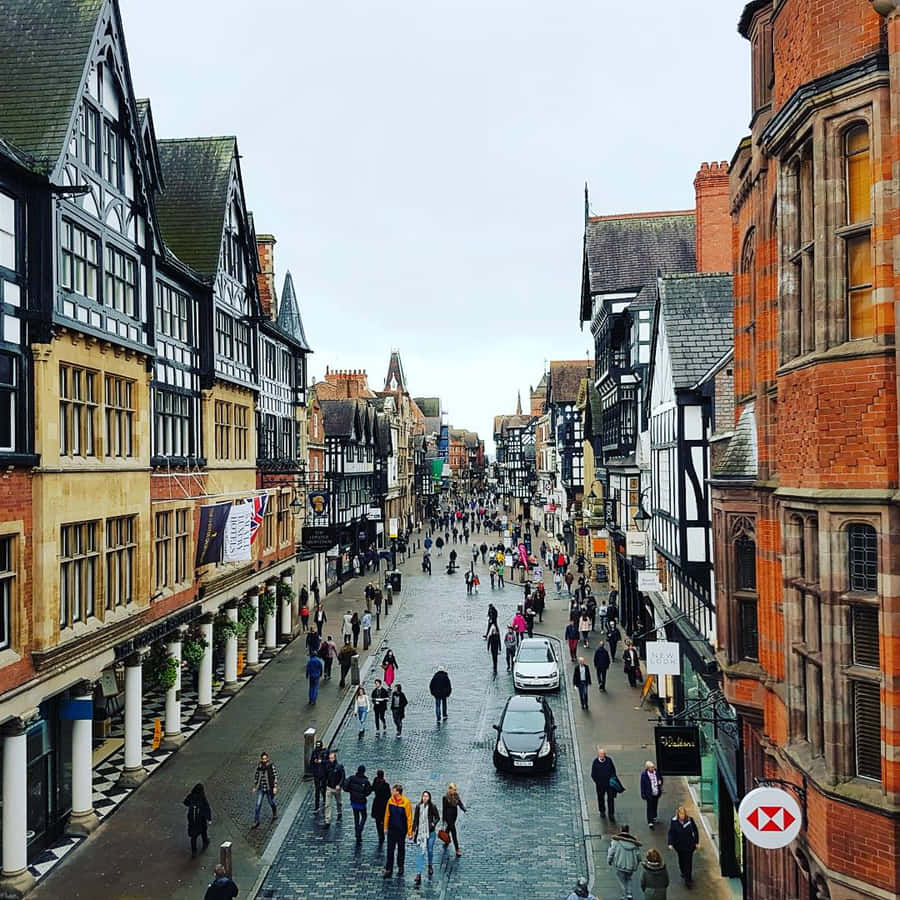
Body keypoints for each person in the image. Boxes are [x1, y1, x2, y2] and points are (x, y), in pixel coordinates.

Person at [383, 783, 413, 879]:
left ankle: (400, 866)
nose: (392, 791)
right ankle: (389, 868)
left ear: (398, 792)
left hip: (401, 830)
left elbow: (409, 818)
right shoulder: (390, 801)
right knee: (390, 849)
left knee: (401, 848)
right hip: (392, 829)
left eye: (393, 790)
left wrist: (409, 832)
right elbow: (387, 814)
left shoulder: (406, 802)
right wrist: (385, 827)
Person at [412, 789, 440, 886]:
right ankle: (418, 874)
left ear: (429, 797)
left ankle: (430, 865)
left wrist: (433, 824)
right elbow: (415, 819)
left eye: (427, 796)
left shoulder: (432, 807)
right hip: (421, 833)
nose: (425, 798)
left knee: (430, 850)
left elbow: (437, 817)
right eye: (424, 796)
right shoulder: (418, 807)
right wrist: (412, 830)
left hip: (431, 833)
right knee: (421, 853)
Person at [607, 824, 642, 900]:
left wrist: (609, 860)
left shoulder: (616, 842)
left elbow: (611, 852)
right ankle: (629, 894)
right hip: (630, 866)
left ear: (621, 830)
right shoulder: (634, 844)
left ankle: (624, 895)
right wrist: (638, 862)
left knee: (621, 880)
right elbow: (638, 855)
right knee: (629, 878)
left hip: (620, 865)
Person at [667, 806, 700, 885]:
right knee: (681, 860)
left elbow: (695, 831)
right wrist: (670, 843)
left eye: (683, 814)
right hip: (679, 845)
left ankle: (688, 878)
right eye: (681, 814)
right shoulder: (674, 822)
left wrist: (696, 842)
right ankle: (683, 871)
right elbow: (671, 833)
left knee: (688, 862)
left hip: (689, 845)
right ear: (678, 814)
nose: (682, 816)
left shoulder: (690, 820)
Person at [344, 764, 372, 842]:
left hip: (353, 800)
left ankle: (357, 832)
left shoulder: (352, 778)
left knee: (356, 818)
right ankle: (359, 830)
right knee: (364, 816)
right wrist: (364, 795)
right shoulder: (365, 781)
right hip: (361, 802)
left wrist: (351, 791)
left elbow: (345, 787)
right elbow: (369, 791)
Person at [183, 783, 212, 857]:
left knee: (193, 836)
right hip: (200, 818)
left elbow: (185, 802)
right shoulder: (202, 797)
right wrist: (209, 818)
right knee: (203, 830)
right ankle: (205, 841)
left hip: (192, 819)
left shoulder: (191, 795)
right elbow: (206, 807)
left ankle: (194, 851)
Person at [251, 752, 277, 828]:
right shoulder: (259, 767)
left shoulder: (271, 766)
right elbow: (256, 776)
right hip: (261, 788)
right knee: (258, 804)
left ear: (267, 758)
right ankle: (256, 821)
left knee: (271, 802)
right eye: (263, 759)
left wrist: (275, 787)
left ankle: (274, 811)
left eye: (265, 759)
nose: (264, 760)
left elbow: (275, 776)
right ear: (261, 759)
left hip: (269, 788)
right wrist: (255, 786)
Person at [591, 747, 618, 818]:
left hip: (609, 784)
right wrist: (597, 782)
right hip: (600, 784)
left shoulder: (609, 760)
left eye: (603, 754)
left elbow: (613, 771)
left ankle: (611, 813)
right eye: (601, 754)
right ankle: (602, 811)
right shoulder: (595, 762)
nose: (602, 755)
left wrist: (612, 779)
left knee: (610, 798)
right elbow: (593, 774)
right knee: (600, 798)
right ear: (598, 755)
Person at [442, 783, 467, 857]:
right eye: (453, 789)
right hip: (448, 816)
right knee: (453, 831)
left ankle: (446, 841)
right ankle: (457, 849)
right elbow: (444, 809)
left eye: (455, 790)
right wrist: (444, 819)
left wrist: (464, 809)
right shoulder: (445, 797)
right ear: (449, 789)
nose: (454, 791)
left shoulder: (456, 796)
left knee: (448, 829)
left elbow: (460, 803)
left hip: (454, 815)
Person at [323, 750, 345, 827]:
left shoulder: (339, 766)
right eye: (330, 758)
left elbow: (343, 777)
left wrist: (339, 785)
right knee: (327, 804)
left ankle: (339, 812)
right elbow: (325, 776)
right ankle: (327, 820)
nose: (331, 760)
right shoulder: (327, 766)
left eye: (332, 758)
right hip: (329, 787)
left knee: (339, 802)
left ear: (335, 758)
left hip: (337, 788)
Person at [640, 761, 664, 827]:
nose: (653, 768)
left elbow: (661, 779)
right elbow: (642, 785)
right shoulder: (644, 775)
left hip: (656, 792)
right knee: (649, 807)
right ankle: (650, 821)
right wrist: (643, 794)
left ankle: (654, 816)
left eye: (653, 767)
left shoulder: (657, 772)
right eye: (651, 767)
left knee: (655, 804)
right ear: (648, 768)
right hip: (649, 793)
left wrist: (660, 783)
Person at [371, 769, 391, 844]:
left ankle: (380, 834)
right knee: (383, 819)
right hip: (384, 804)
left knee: (377, 820)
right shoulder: (386, 785)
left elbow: (372, 788)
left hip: (376, 803)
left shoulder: (376, 782)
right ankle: (382, 832)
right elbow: (389, 796)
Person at [310, 740, 328, 813]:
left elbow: (328, 762)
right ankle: (316, 806)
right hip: (317, 774)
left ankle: (324, 799)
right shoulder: (314, 752)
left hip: (323, 774)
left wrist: (322, 761)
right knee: (317, 790)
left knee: (323, 788)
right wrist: (314, 762)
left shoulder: (326, 752)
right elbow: (311, 762)